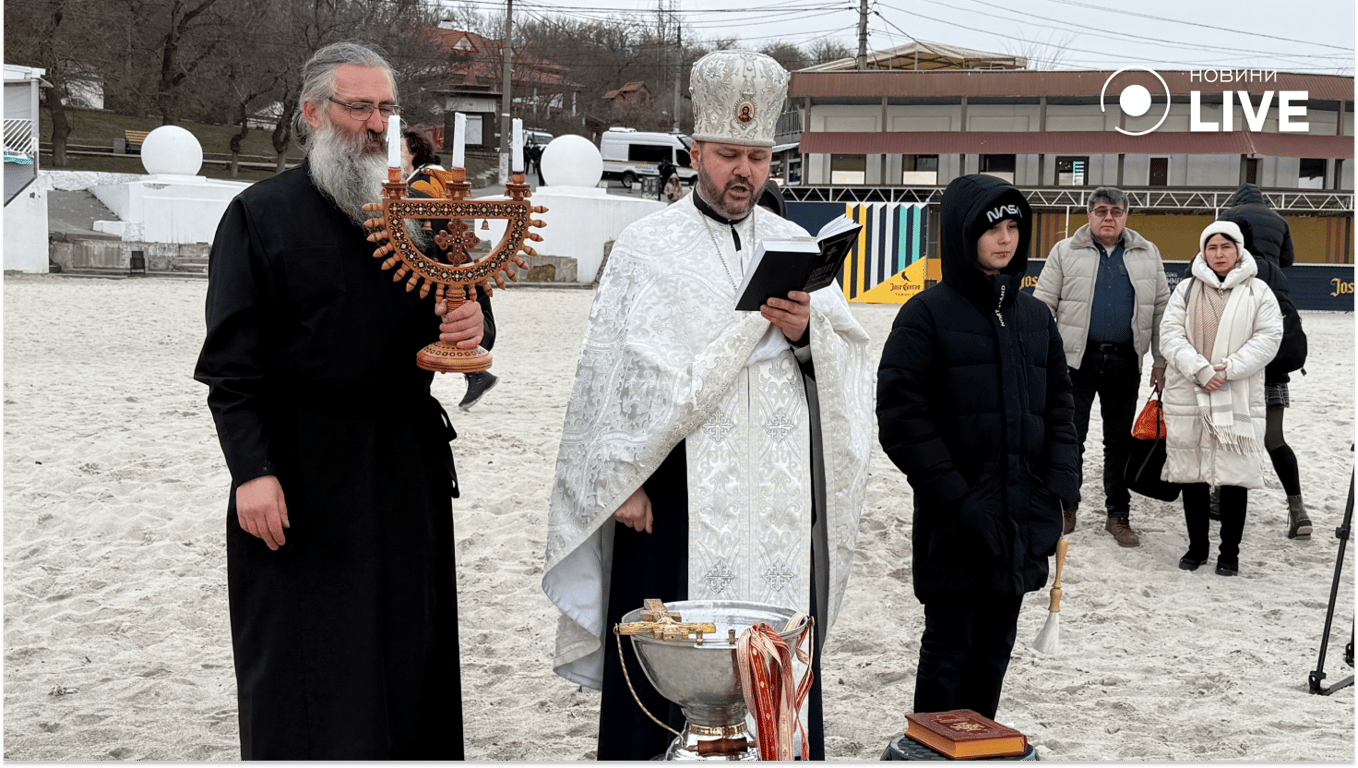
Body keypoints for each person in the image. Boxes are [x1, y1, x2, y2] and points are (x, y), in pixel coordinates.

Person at [541, 50, 873, 761]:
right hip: (673, 494)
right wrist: (621, 481)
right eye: (728, 155)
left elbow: (848, 368)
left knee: (775, 662)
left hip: (776, 501)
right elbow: (607, 375)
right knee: (667, 675)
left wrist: (806, 334)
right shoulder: (647, 246)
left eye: (757, 157)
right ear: (696, 154)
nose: (743, 172)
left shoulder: (794, 243)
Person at [194, 41, 487, 761]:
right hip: (301, 469)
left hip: (406, 463)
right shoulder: (260, 215)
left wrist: (474, 319)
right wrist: (252, 472)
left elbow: (469, 304)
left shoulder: (423, 211)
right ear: (313, 113)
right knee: (307, 653)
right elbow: (231, 368)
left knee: (408, 646)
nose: (378, 124)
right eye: (359, 107)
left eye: (387, 107)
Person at [877, 174, 1079, 720]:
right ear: (963, 234)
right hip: (956, 522)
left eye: (1014, 226)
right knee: (948, 653)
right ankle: (932, 753)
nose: (1005, 239)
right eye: (992, 228)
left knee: (994, 651)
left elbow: (1062, 409)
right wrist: (958, 499)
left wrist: (1061, 487)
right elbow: (901, 420)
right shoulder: (926, 314)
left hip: (1022, 517)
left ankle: (980, 750)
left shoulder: (1034, 316)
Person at [1033, 186, 1169, 548]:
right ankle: (1066, 506)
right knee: (1069, 436)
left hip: (1126, 361)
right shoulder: (1064, 251)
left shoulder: (1147, 252)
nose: (1109, 217)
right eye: (1102, 211)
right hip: (1074, 362)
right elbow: (1043, 306)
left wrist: (1160, 361)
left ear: (1126, 216)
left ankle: (1117, 514)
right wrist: (1045, 357)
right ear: (1089, 214)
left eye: (1116, 211)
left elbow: (1161, 310)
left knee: (1119, 441)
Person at [1159, 220, 1282, 577]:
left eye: (1225, 246)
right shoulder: (1186, 290)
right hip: (1191, 390)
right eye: (1211, 247)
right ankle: (1197, 547)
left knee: (1233, 476)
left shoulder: (1258, 291)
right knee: (1193, 474)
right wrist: (1200, 370)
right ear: (1203, 252)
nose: (1219, 253)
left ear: (1238, 249)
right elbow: (1170, 335)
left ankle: (1230, 552)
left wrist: (1228, 370)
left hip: (1236, 390)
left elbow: (1268, 337)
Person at [1218, 185, 1311, 539]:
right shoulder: (1276, 267)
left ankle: (1217, 498)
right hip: (1273, 367)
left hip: (1236, 366)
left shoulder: (1228, 270)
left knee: (1226, 433)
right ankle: (1298, 510)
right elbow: (1289, 259)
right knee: (1274, 438)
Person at [402, 129, 500, 411]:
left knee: (452, 312)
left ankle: (476, 374)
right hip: (441, 258)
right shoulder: (433, 177)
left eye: (398, 150)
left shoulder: (421, 186)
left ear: (414, 154)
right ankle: (476, 375)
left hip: (436, 258)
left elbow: (440, 227)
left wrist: (479, 325)